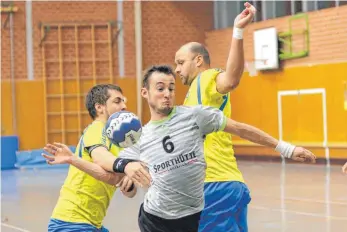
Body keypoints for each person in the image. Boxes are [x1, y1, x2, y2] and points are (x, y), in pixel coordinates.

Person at [43, 65, 316, 232]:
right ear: (146, 93)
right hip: (141, 220)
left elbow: (117, 181)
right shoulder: (105, 133)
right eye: (117, 102)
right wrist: (116, 168)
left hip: (187, 215)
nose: (167, 93)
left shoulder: (193, 116)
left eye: (171, 87)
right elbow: (108, 166)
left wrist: (286, 149)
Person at [174, 2, 258, 231]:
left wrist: (238, 32)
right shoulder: (192, 95)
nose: (177, 69)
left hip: (213, 185)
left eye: (180, 62)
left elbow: (230, 79)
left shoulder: (206, 79)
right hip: (231, 182)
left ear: (198, 60)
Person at [45, 84, 137, 232]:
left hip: (92, 224)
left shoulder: (118, 142)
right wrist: (127, 167)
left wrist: (129, 183)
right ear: (100, 107)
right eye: (117, 101)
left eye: (124, 101)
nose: (124, 106)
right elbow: (102, 160)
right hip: (71, 223)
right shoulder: (97, 129)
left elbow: (130, 193)